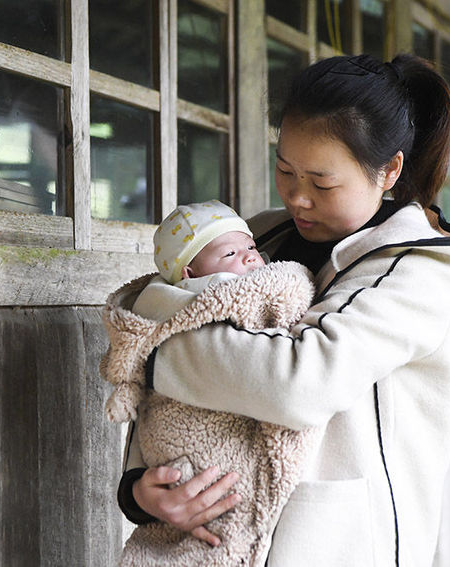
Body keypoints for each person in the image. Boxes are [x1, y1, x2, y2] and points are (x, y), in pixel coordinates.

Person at [116, 53, 450, 566]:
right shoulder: (257, 236)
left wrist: (152, 354)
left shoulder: (423, 270)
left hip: (338, 543)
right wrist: (141, 489)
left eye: (322, 182)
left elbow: (299, 383)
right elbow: (172, 316)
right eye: (285, 170)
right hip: (223, 539)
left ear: (389, 171)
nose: (297, 197)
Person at [101, 200, 319, 566]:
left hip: (291, 516)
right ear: (189, 273)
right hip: (188, 472)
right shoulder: (172, 304)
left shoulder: (387, 257)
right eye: (231, 253)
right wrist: (137, 492)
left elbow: (299, 377)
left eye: (251, 248)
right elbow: (148, 410)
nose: (251, 258)